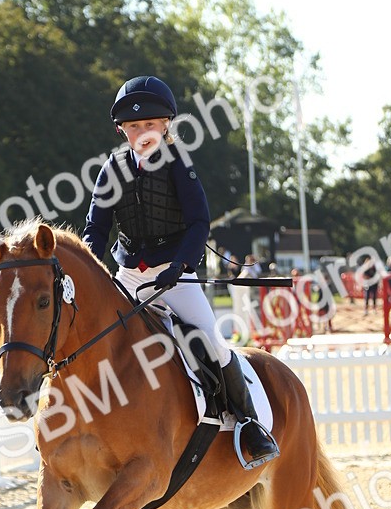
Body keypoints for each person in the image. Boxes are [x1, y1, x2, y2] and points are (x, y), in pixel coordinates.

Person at [81, 74, 279, 468]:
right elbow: (96, 227)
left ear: (166, 124)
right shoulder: (111, 169)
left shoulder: (178, 165)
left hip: (174, 276)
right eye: (134, 126)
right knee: (91, 338)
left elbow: (199, 223)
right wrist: (90, 265)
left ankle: (248, 425)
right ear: (122, 130)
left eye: (149, 125)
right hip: (129, 277)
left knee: (210, 340)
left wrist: (181, 265)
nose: (142, 133)